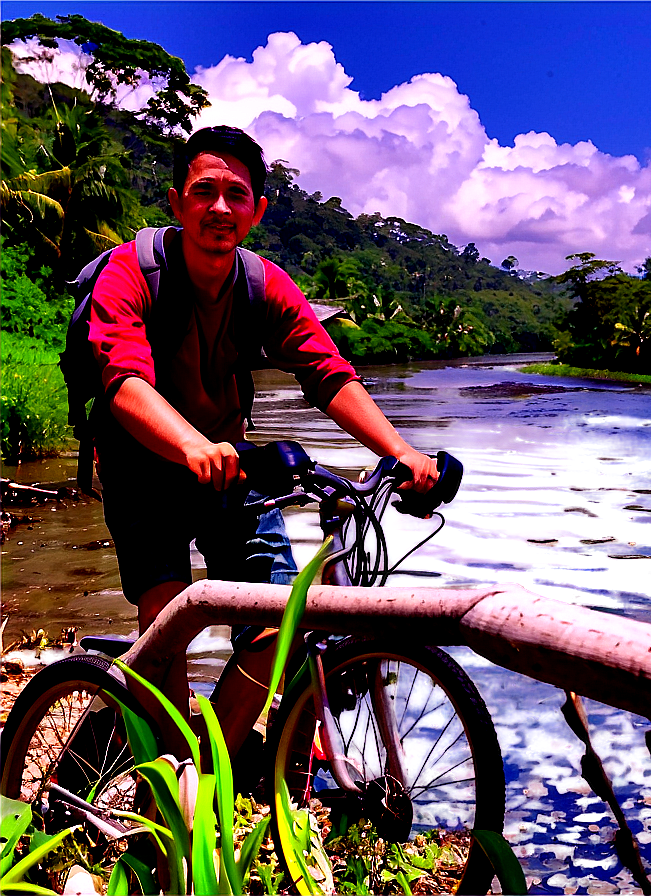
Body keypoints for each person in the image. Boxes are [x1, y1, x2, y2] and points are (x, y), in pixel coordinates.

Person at [88, 125, 437, 756]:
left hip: (229, 468)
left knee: (279, 621)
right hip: (142, 464)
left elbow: (329, 375)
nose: (220, 207)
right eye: (204, 192)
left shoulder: (263, 284)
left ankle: (206, 763)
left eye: (236, 194)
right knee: (165, 623)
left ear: (257, 210)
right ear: (176, 202)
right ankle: (154, 788)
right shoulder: (130, 271)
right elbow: (122, 382)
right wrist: (192, 446)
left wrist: (401, 453)